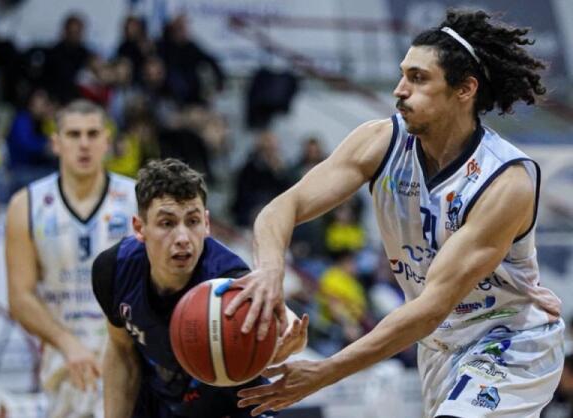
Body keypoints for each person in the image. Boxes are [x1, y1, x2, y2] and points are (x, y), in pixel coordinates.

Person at [225, 9, 566, 417]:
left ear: (464, 89)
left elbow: (431, 306)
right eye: (403, 75)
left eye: (418, 78)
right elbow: (283, 207)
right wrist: (270, 272)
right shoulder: (379, 142)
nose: (399, 90)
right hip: (439, 348)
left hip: (510, 338)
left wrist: (325, 371)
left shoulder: (505, 182)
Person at [91, 158, 308, 418]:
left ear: (206, 223)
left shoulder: (228, 279)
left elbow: (277, 313)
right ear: (140, 228)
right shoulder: (114, 269)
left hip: (231, 405)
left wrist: (292, 336)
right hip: (161, 398)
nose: (183, 238)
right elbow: (121, 350)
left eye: (192, 221)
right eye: (167, 223)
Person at [5, 99, 137, 418]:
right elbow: (20, 298)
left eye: (93, 134)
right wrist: (66, 343)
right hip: (63, 366)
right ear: (56, 142)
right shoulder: (26, 205)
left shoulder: (137, 199)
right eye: (74, 134)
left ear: (107, 141)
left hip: (128, 362)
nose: (84, 144)